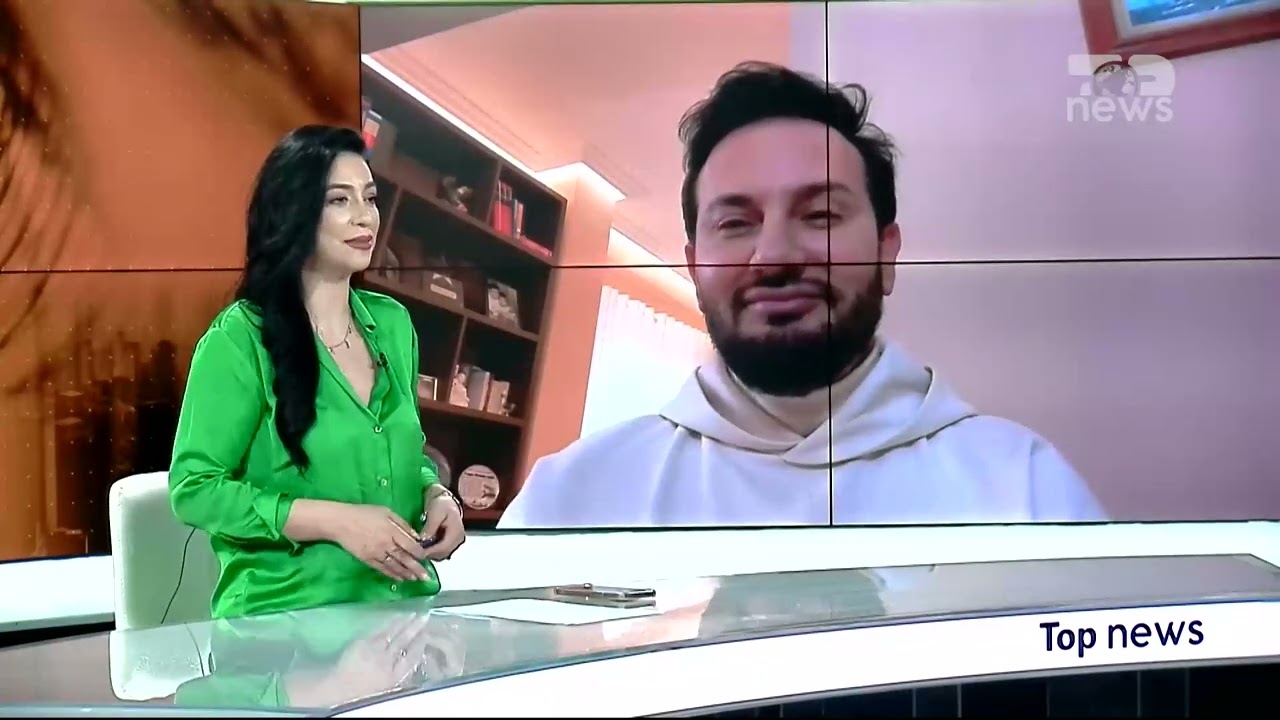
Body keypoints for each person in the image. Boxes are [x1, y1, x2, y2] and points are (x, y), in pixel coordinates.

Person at [500, 62, 1105, 528]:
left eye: (820, 215)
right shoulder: (569, 498)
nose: (775, 256)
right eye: (735, 223)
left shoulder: (1025, 488)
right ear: (695, 266)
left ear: (886, 253)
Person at [170, 125, 466, 619]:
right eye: (338, 200)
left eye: (370, 198)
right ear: (294, 211)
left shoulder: (393, 326)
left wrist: (437, 494)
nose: (364, 216)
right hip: (285, 624)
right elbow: (194, 489)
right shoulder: (239, 339)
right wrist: (337, 522)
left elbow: (400, 456)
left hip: (404, 615)